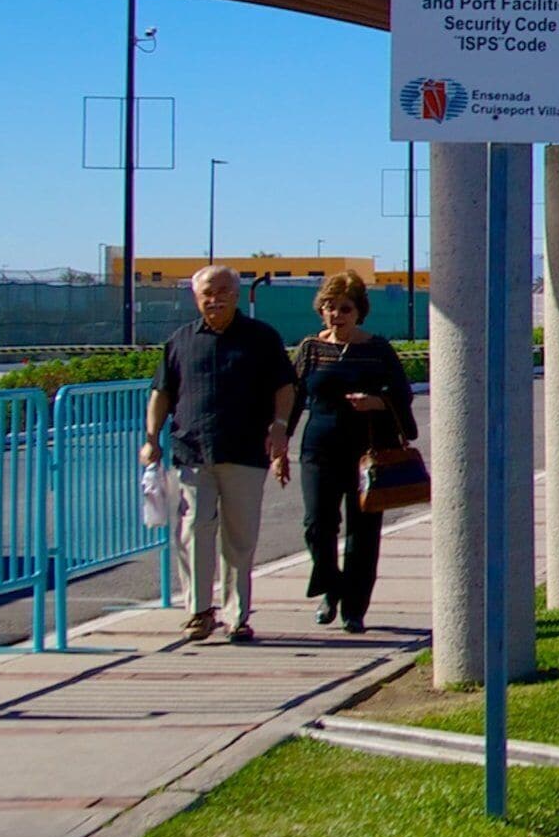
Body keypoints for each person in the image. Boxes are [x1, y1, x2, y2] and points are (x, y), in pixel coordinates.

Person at [144, 264, 297, 640]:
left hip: (245, 452)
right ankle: (198, 611)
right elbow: (161, 393)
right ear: (196, 299)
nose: (214, 300)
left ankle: (236, 615)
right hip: (192, 452)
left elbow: (285, 387)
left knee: (239, 537)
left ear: (237, 294)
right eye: (206, 294)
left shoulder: (261, 338)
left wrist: (279, 426)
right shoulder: (180, 341)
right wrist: (151, 438)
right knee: (193, 531)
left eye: (222, 292)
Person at [287, 274, 415, 634]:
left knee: (363, 532)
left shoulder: (377, 349)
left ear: (359, 311)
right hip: (319, 449)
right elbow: (293, 399)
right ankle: (331, 586)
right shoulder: (311, 349)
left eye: (345, 308)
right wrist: (280, 443)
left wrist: (377, 401)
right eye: (329, 307)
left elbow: (403, 395)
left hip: (367, 454)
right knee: (317, 525)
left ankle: (353, 609)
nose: (336, 315)